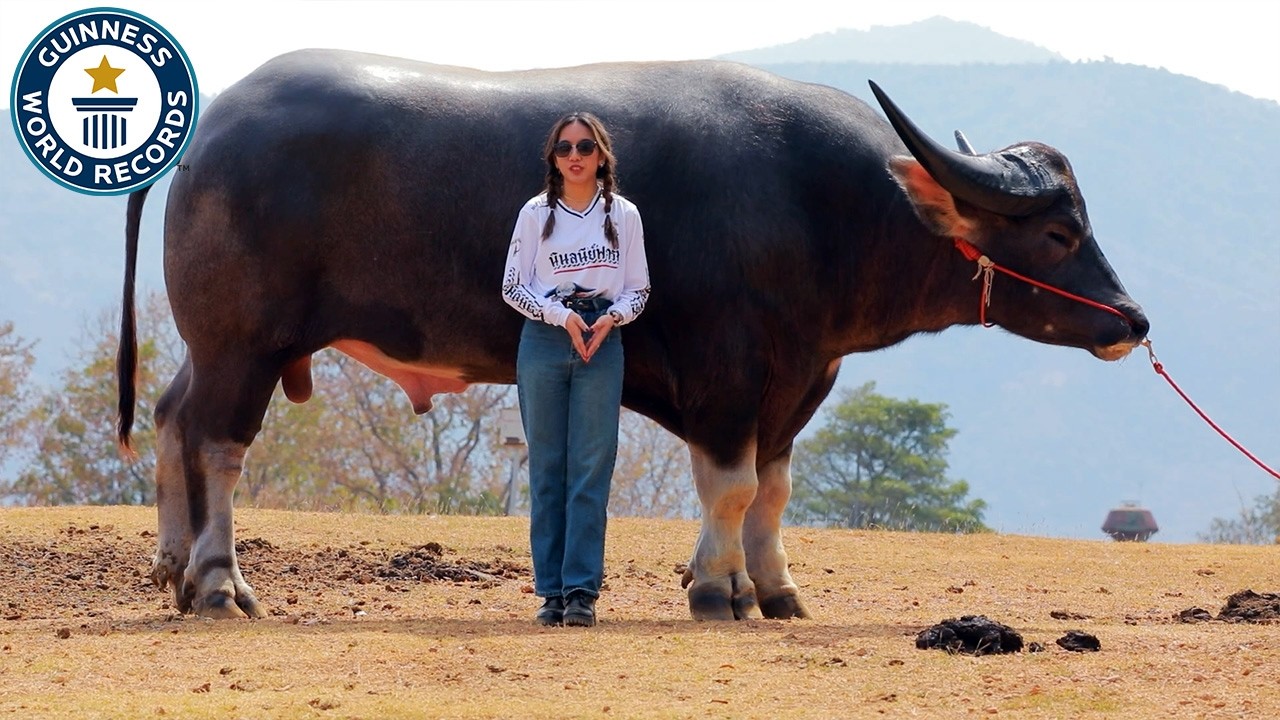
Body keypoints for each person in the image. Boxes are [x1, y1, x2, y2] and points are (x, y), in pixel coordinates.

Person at [501, 112, 650, 627]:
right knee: (547, 469)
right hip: (545, 339)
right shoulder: (535, 213)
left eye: (585, 147)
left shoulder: (624, 215)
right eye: (565, 148)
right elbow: (512, 286)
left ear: (601, 155)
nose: (575, 156)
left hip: (602, 342)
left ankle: (582, 592)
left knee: (590, 469)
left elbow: (639, 287)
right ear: (554, 157)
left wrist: (610, 319)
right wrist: (561, 316)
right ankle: (551, 594)